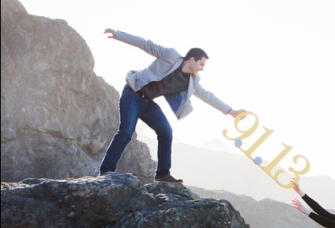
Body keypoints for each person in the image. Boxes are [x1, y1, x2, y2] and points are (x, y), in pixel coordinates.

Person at [99, 28, 245, 182]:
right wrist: (118, 35)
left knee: (166, 131)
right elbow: (145, 44)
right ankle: (106, 170)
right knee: (127, 131)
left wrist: (231, 112)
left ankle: (162, 174)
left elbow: (208, 96)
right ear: (192, 60)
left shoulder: (192, 81)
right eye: (201, 64)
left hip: (147, 102)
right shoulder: (170, 55)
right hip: (132, 94)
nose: (202, 69)